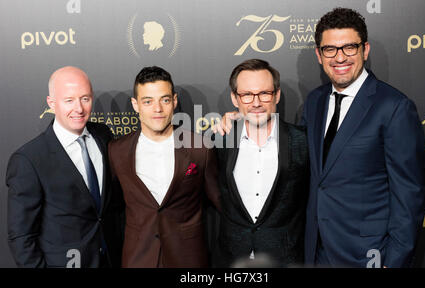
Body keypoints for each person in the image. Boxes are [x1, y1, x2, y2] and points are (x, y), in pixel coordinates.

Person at [300, 7, 425, 267]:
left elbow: (408, 196)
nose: (339, 57)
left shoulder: (393, 107)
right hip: (317, 252)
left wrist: (394, 261)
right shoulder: (314, 102)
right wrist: (242, 124)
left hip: (369, 255)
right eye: (330, 49)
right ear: (319, 54)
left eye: (349, 47)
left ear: (365, 50)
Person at [6, 66, 123, 268]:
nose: (79, 108)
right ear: (51, 103)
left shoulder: (103, 135)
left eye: (85, 98)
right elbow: (22, 236)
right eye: (69, 100)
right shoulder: (29, 159)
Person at [108, 66, 221, 268]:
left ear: (174, 101)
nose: (157, 109)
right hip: (138, 258)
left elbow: (220, 203)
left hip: (189, 259)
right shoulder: (117, 151)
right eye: (148, 101)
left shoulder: (199, 148)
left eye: (165, 100)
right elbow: (113, 207)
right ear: (135, 105)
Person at [211, 59, 309, 267]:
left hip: (286, 259)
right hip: (232, 260)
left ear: (277, 94)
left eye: (264, 93)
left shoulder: (303, 141)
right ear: (235, 98)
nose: (256, 102)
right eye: (247, 95)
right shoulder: (220, 140)